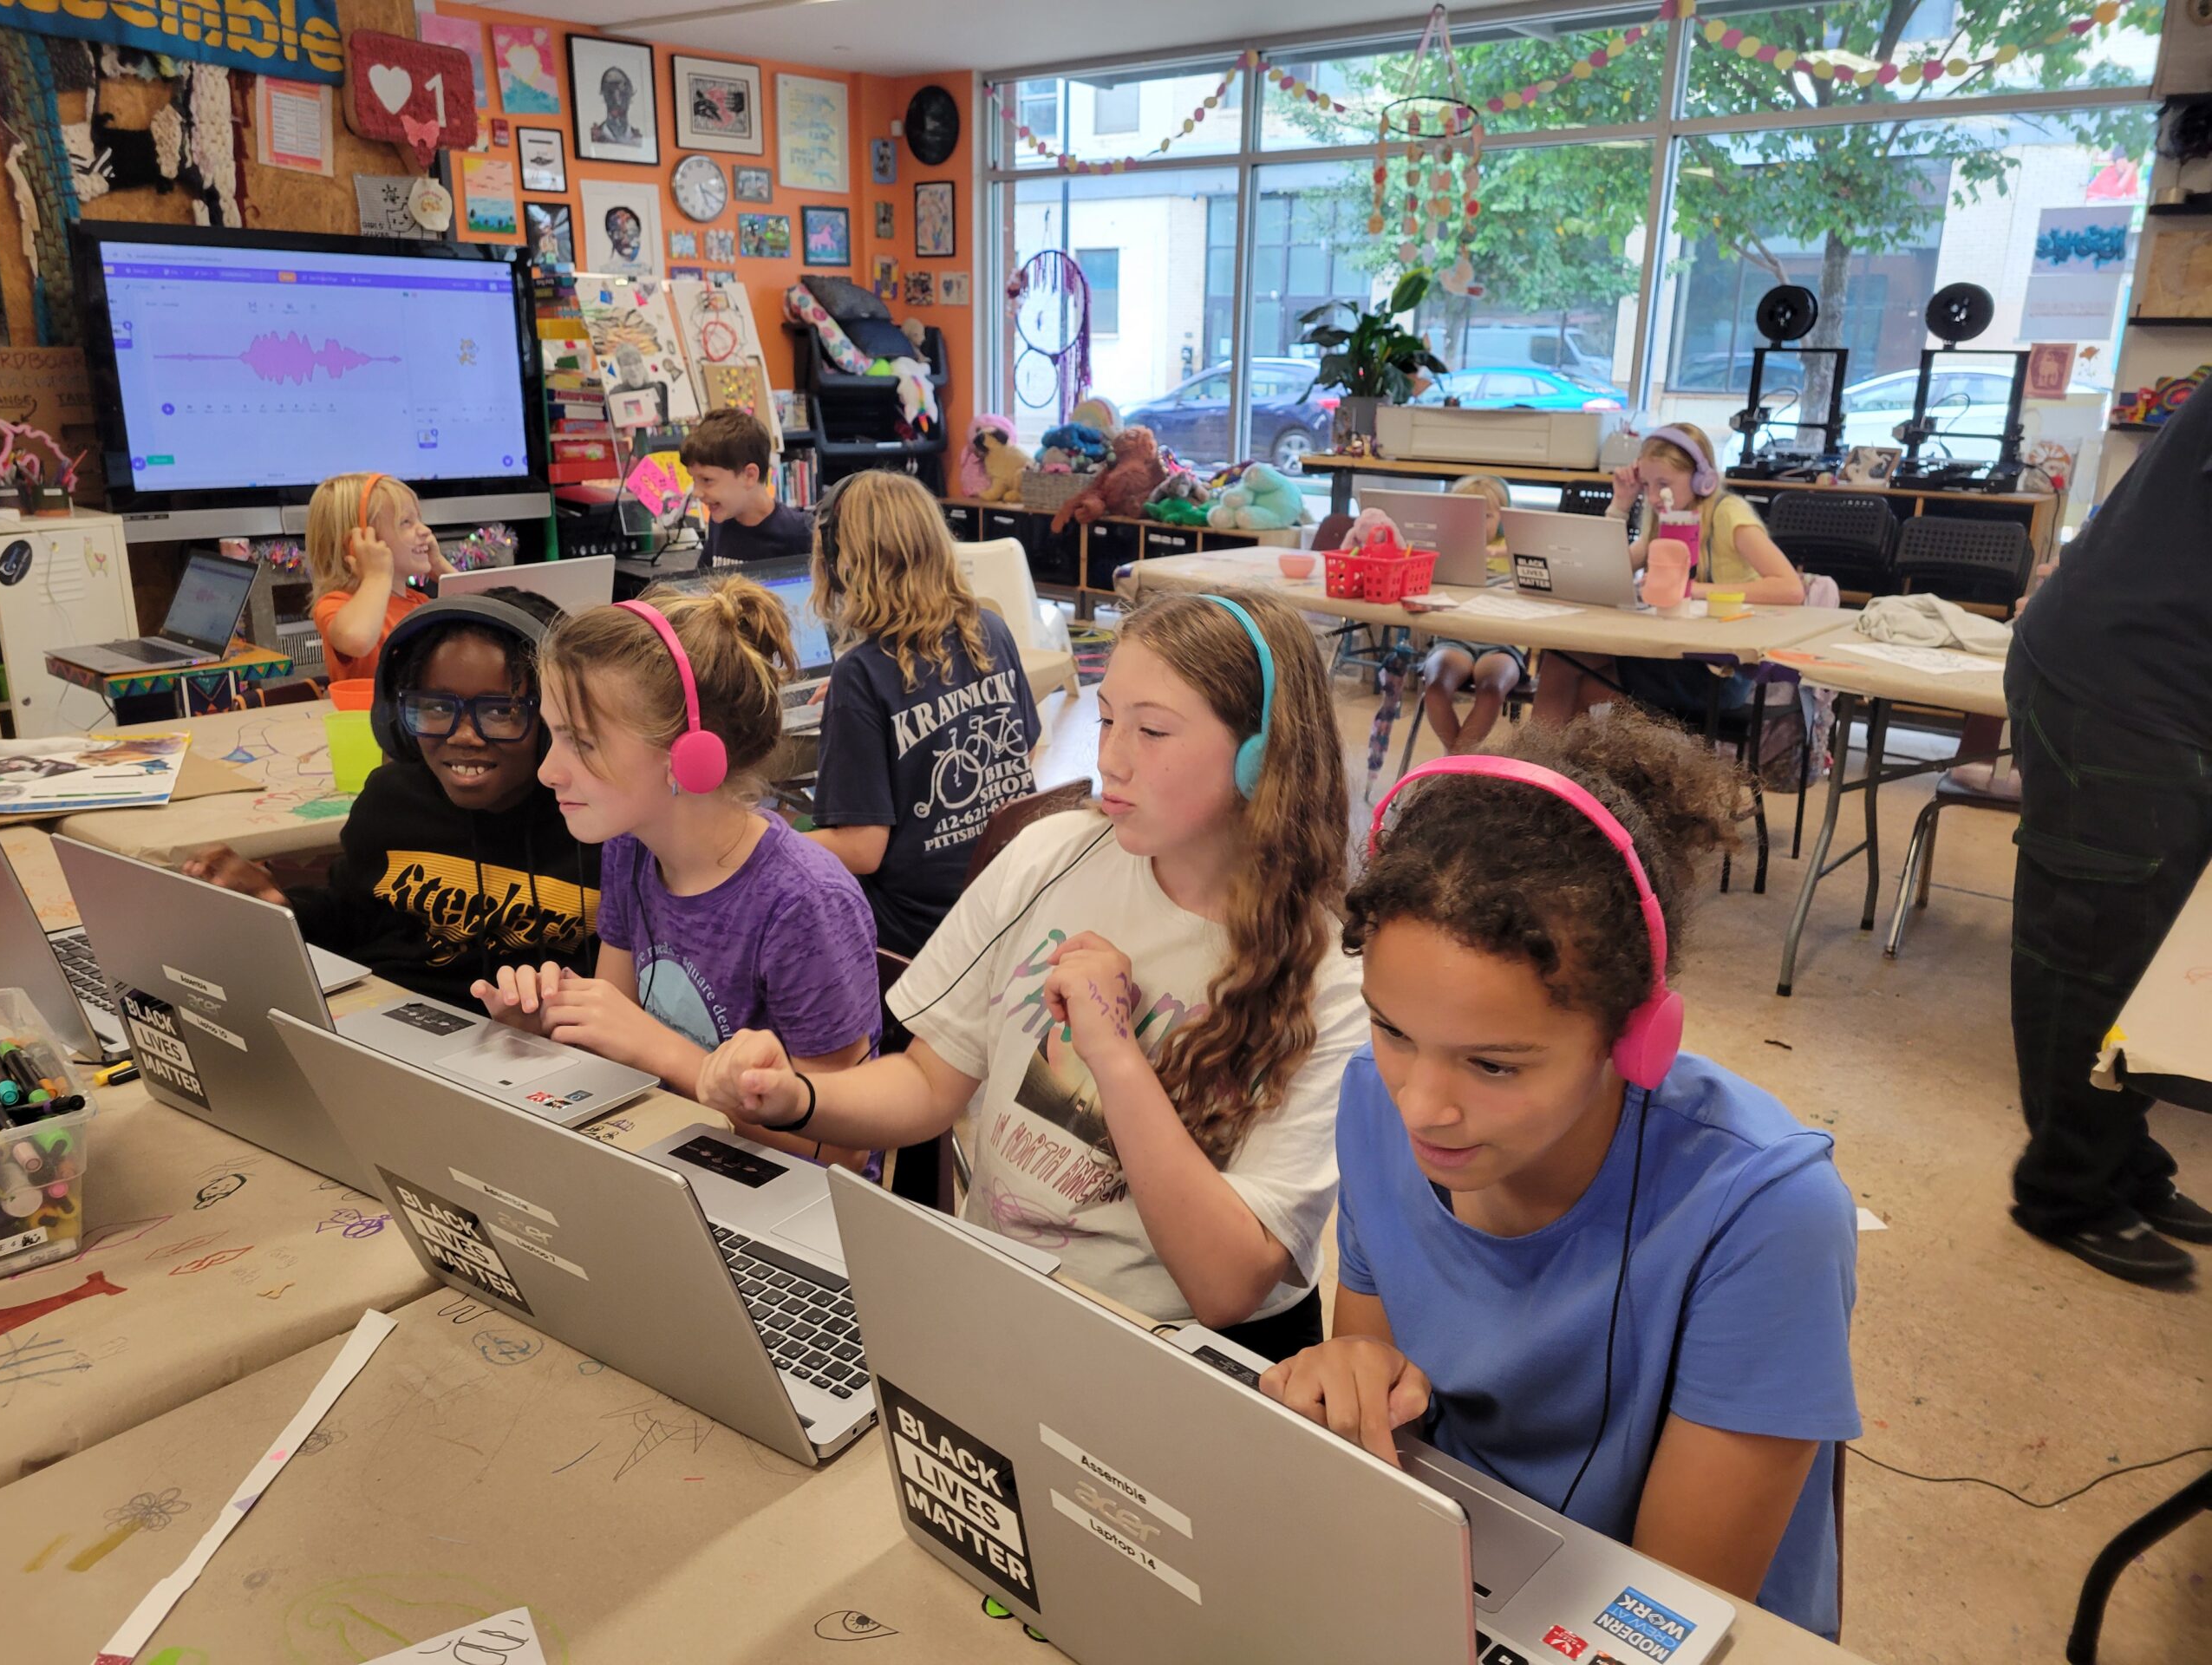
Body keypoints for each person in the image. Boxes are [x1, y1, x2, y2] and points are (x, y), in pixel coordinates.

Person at [1258, 709, 1859, 1639]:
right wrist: (1354, 1375)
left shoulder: (1765, 1216)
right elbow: (1387, 1405)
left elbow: (1663, 1618)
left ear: (1636, 1041)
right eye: (1393, 1030)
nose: (1420, 1106)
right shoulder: (1372, 1101)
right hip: (1464, 1572)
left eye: (1493, 1065)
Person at [695, 590, 1367, 1358]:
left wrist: (1112, 1049)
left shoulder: (1333, 985)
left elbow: (1227, 1284)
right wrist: (797, 1097)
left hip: (1177, 1357)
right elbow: (927, 1087)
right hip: (1006, 1305)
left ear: (1260, 756)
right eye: (1108, 719)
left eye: (1151, 730)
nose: (1109, 757)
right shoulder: (1050, 857)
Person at [475, 580, 879, 1169]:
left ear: (687, 756)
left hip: (787, 1207)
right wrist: (550, 1021)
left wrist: (663, 1051)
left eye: (580, 743)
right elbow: (616, 1026)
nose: (547, 772)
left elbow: (841, 1148)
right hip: (666, 1154)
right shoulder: (630, 848)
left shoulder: (803, 903)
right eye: (553, 736)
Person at [2005, 381, 2212, 1283]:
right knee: (2096, 943)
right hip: (2119, 681)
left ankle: (2118, 1158)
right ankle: (2066, 1188)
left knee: (2166, 946)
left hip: (2171, 679)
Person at [184, 591, 596, 1009]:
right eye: (435, 707)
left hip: (534, 1044)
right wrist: (280, 908)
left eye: (500, 712)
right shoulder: (394, 799)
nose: (463, 735)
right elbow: (354, 915)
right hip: (389, 1021)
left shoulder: (597, 826)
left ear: (554, 720)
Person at [804, 472, 1041, 957]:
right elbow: (1025, 743)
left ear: (841, 561)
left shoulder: (861, 675)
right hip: (1004, 911)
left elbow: (861, 850)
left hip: (917, 941)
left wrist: (764, 839)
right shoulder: (989, 629)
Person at [1531, 425, 1804, 725]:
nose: (1653, 496)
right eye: (1646, 484)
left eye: (1663, 483)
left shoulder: (1727, 513)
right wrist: (1620, 505)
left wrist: (1693, 589)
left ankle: (1542, 766)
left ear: (1703, 479)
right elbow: (1606, 570)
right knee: (1562, 660)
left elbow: (1791, 589)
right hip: (1669, 653)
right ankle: (1543, 767)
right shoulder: (1665, 519)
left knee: (1576, 681)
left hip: (1714, 669)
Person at [306, 472, 453, 683]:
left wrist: (440, 567)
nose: (425, 531)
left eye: (419, 520)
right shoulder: (336, 605)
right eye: (405, 522)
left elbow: (488, 620)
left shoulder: (420, 604)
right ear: (361, 541)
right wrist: (376, 576)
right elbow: (358, 639)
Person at [1419, 474, 1527, 754]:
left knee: (1491, 690)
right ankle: (1459, 767)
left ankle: (1452, 768)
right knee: (1435, 686)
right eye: (1469, 516)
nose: (1478, 525)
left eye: (1488, 516)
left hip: (1503, 643)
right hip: (1454, 639)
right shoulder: (1445, 549)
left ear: (1503, 518)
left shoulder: (1516, 548)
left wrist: (1510, 550)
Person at [682, 408, 814, 567]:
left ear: (749, 476)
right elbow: (700, 584)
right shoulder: (720, 520)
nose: (696, 492)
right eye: (694, 479)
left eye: (707, 480)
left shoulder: (801, 533)